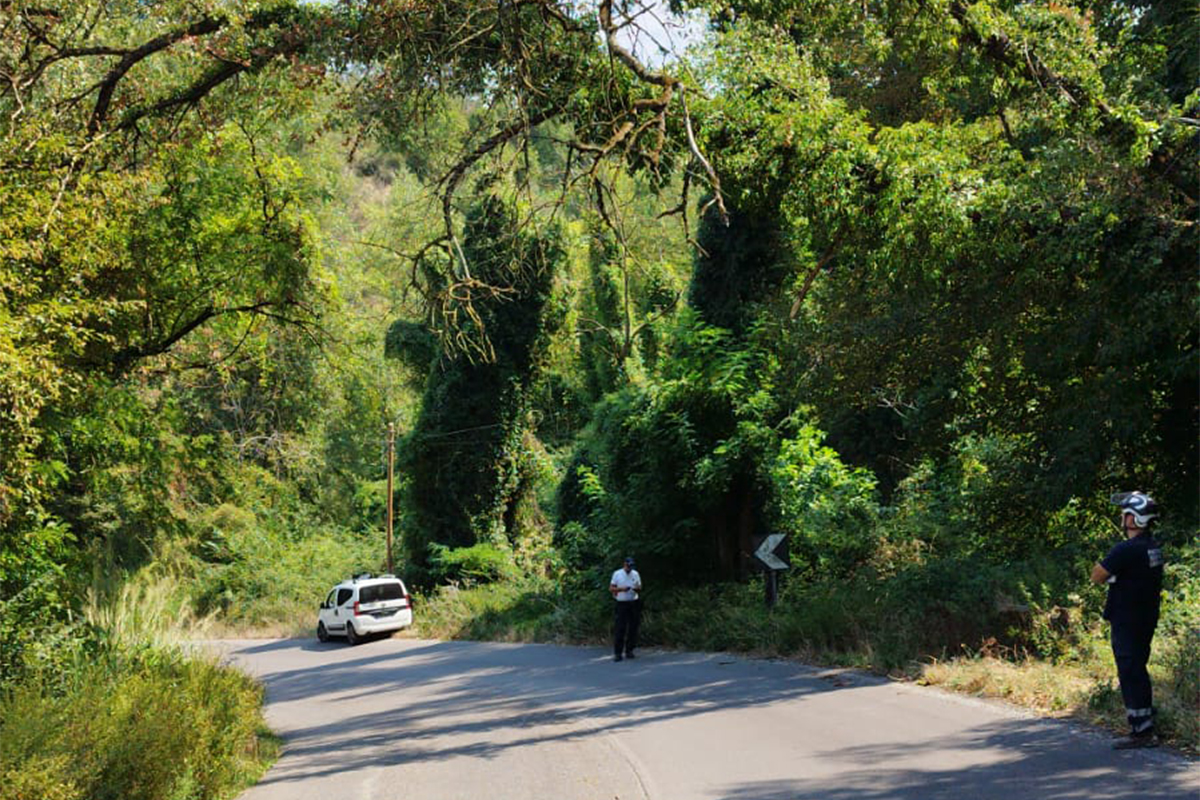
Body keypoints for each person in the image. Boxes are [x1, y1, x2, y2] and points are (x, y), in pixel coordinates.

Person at [1090, 491, 1165, 749]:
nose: (1122, 519)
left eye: (1125, 514)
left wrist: (1114, 576)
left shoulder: (1126, 550)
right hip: (1146, 616)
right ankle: (1144, 722)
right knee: (1137, 669)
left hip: (1127, 618)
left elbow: (1097, 575)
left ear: (1135, 518)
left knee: (1130, 670)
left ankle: (1142, 731)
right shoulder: (1152, 547)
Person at [609, 556, 642, 662]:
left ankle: (629, 650)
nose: (629, 568)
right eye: (628, 565)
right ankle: (618, 653)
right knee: (620, 628)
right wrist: (621, 589)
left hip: (633, 602)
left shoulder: (635, 574)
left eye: (631, 566)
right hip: (621, 603)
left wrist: (636, 588)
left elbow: (639, 587)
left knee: (633, 627)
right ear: (624, 564)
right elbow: (611, 588)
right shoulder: (617, 574)